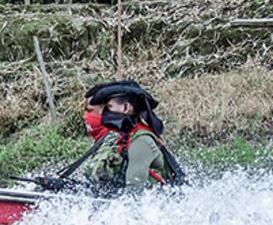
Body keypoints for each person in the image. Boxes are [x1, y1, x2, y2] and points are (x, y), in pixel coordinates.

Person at [34, 80, 183, 195]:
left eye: (109, 108)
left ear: (126, 108)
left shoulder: (141, 142)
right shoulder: (121, 138)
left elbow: (132, 199)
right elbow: (108, 190)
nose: (104, 114)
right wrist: (67, 187)